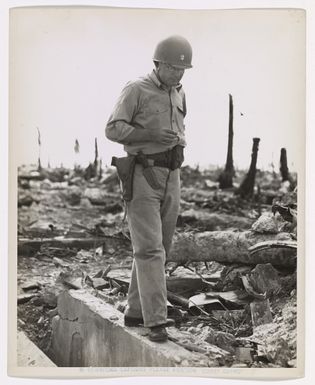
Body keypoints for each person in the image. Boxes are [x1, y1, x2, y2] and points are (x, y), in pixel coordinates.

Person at [105, 35, 193, 342]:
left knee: (159, 248)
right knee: (150, 249)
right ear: (158, 64)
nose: (178, 74)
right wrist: (149, 132)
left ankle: (135, 311)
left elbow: (179, 128)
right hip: (142, 173)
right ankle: (156, 320)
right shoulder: (135, 89)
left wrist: (179, 143)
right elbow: (112, 128)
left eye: (183, 70)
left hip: (172, 174)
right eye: (173, 68)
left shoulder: (180, 92)